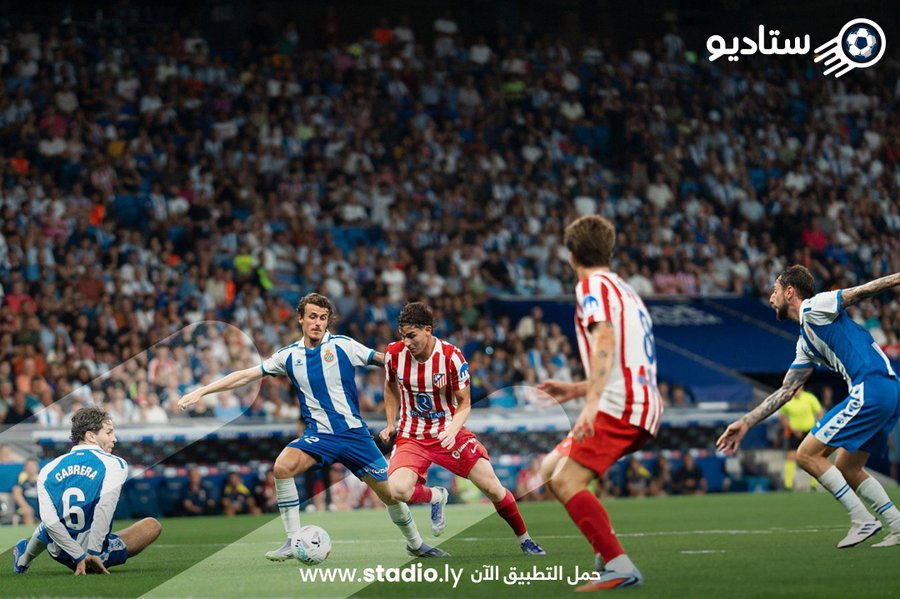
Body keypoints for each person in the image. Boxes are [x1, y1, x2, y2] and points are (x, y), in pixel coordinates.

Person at [179, 293, 447, 560]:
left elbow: (387, 360)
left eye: (323, 318)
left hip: (355, 436)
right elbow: (246, 375)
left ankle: (416, 541)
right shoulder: (289, 356)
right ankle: (292, 540)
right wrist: (203, 391)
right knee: (282, 466)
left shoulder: (343, 346)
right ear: (300, 319)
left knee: (391, 495)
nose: (318, 323)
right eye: (312, 317)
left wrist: (429, 365)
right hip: (319, 436)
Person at [717, 265, 900, 548]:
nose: (770, 298)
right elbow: (787, 391)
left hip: (871, 388)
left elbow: (860, 291)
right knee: (847, 466)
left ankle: (862, 519)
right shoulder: (805, 342)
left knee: (806, 455)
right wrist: (746, 422)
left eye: (774, 291)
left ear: (790, 292)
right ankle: (898, 525)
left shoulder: (814, 307)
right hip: (889, 389)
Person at [536, 215, 663, 589]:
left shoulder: (591, 286)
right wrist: (577, 390)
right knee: (551, 467)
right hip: (639, 400)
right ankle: (604, 555)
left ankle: (618, 564)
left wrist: (590, 404)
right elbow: (624, 353)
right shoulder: (625, 289)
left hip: (620, 404)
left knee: (565, 478)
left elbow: (605, 338)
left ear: (571, 255)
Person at [379, 302, 545, 556]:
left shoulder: (451, 357)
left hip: (449, 432)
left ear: (428, 329)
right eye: (403, 336)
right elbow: (390, 387)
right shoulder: (394, 354)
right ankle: (437, 496)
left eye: (412, 336)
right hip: (412, 435)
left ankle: (525, 539)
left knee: (493, 487)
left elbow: (465, 403)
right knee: (397, 489)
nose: (407, 342)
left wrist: (451, 430)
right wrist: (391, 423)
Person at [13, 407, 161, 575]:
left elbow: (48, 521)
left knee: (53, 519)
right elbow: (104, 508)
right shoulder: (114, 464)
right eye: (109, 433)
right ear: (91, 436)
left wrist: (78, 556)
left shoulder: (48, 469)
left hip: (60, 551)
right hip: (96, 554)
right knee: (152, 525)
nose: (115, 438)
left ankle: (23, 559)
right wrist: (92, 553)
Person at [779, 386, 824, 490]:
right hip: (794, 432)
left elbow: (819, 412)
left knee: (811, 457)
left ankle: (813, 484)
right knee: (791, 456)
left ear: (802, 388)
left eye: (798, 388)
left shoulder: (810, 398)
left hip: (808, 432)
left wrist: (817, 427)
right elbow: (782, 416)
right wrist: (790, 427)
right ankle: (788, 485)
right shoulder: (788, 400)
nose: (796, 391)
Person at [12, 457, 40, 525]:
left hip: (40, 507)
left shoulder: (41, 479)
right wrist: (25, 506)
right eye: (29, 466)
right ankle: (31, 534)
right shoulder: (21, 478)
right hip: (24, 508)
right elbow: (16, 493)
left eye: (33, 466)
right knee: (28, 512)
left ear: (37, 467)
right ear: (25, 468)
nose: (31, 468)